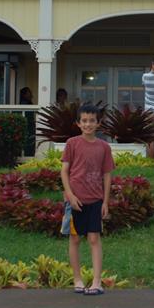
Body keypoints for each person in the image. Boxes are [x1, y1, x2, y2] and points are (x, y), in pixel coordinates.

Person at [60, 103, 114, 296]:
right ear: (78, 123)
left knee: (94, 238)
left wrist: (105, 202)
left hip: (96, 200)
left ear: (98, 123)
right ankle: (77, 279)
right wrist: (70, 195)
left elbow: (107, 175)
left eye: (92, 121)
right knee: (75, 238)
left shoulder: (104, 147)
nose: (88, 124)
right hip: (75, 201)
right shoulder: (72, 143)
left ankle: (97, 282)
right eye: (84, 121)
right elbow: (64, 171)